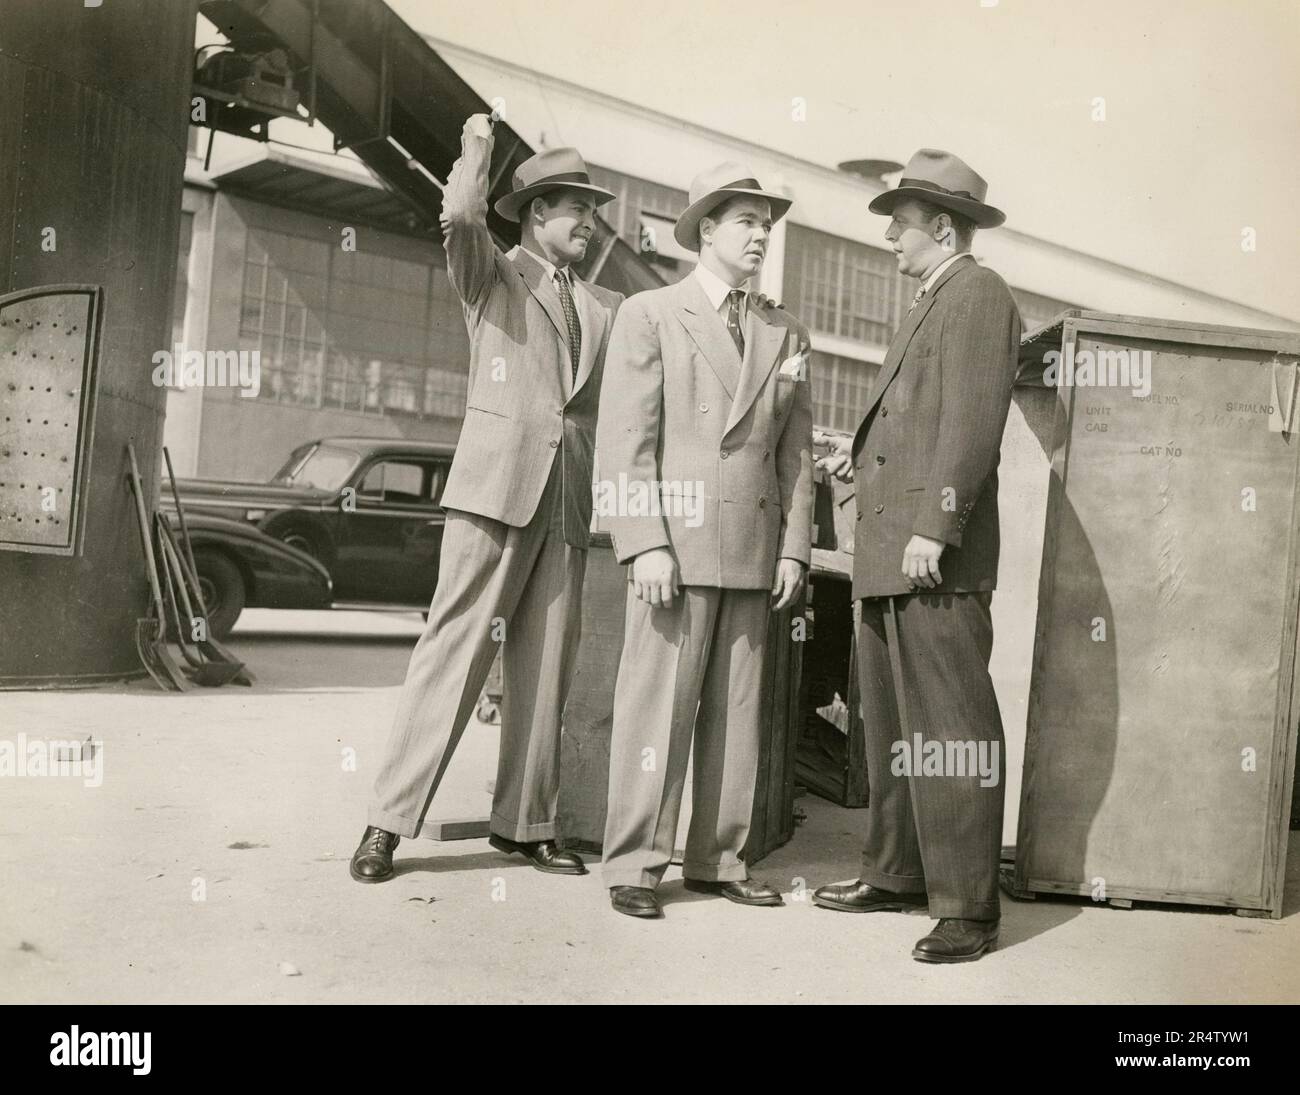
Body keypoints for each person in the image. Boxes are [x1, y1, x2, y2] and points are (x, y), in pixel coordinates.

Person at [349, 113, 623, 884]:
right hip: (494, 489)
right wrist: (475, 142)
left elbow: (594, 409)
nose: (590, 224)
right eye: (578, 209)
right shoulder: (492, 272)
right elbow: (463, 211)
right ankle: (386, 822)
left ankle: (526, 825)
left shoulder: (600, 308)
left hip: (565, 499)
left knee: (546, 668)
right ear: (538, 213)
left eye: (594, 212)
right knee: (454, 653)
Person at [815, 149, 1021, 962]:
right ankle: (897, 871)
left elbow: (972, 424)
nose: (890, 241)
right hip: (891, 550)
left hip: (931, 553)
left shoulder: (978, 295)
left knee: (951, 726)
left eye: (899, 227)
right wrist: (858, 459)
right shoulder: (934, 298)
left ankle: (969, 905)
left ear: (943, 227)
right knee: (895, 727)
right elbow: (917, 423)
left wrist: (937, 524)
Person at [597, 162, 814, 919]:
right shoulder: (651, 313)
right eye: (747, 221)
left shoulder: (785, 330)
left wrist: (794, 547)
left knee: (738, 714)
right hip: (676, 551)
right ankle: (636, 861)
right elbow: (625, 441)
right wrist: (642, 542)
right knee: (658, 708)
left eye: (768, 223)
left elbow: (797, 454)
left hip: (754, 552)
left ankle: (720, 857)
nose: (761, 235)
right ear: (707, 230)